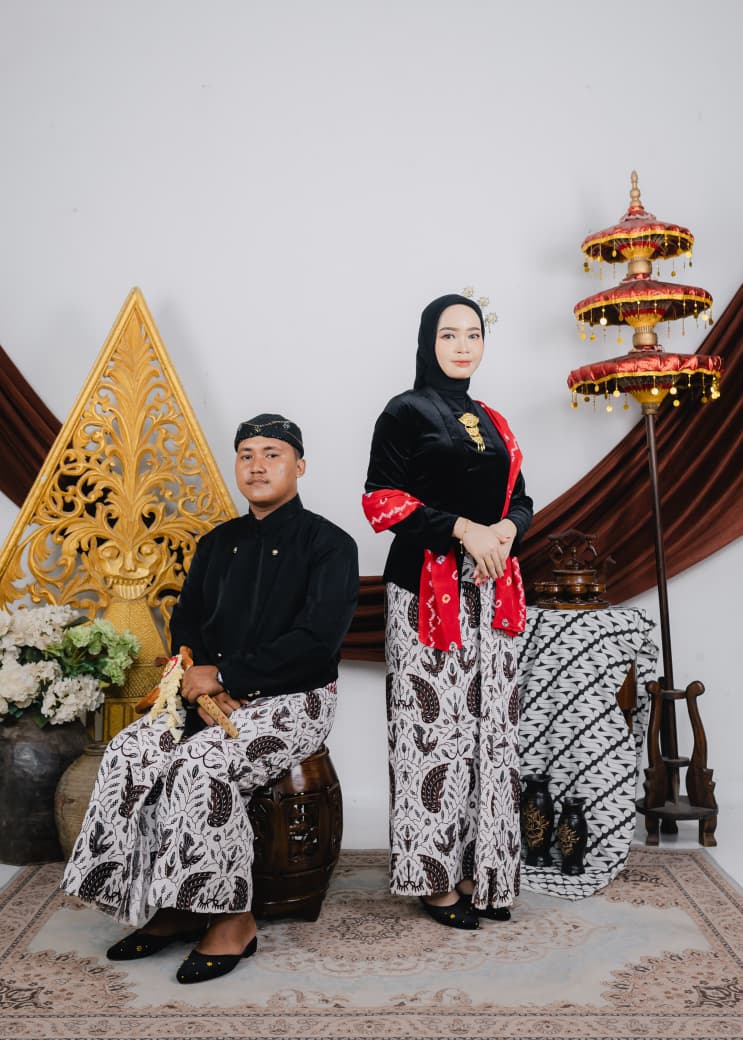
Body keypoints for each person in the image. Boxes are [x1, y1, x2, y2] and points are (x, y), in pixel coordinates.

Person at [62, 414, 359, 981]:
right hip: (205, 695)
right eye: (247, 454)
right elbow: (188, 621)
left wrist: (228, 677)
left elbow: (316, 641)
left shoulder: (330, 545)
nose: (257, 465)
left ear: (299, 466)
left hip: (296, 700)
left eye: (272, 454)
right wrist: (201, 679)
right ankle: (171, 904)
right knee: (129, 751)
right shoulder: (217, 543)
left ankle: (231, 918)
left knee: (200, 763)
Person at [362, 295, 533, 929]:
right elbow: (381, 500)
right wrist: (465, 529)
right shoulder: (404, 411)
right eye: (449, 334)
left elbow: (522, 500)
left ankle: (481, 872)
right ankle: (434, 881)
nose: (462, 346)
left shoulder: (494, 420)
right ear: (427, 342)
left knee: (492, 735)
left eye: (473, 334)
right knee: (434, 734)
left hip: (494, 591)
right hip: (425, 595)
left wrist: (504, 533)